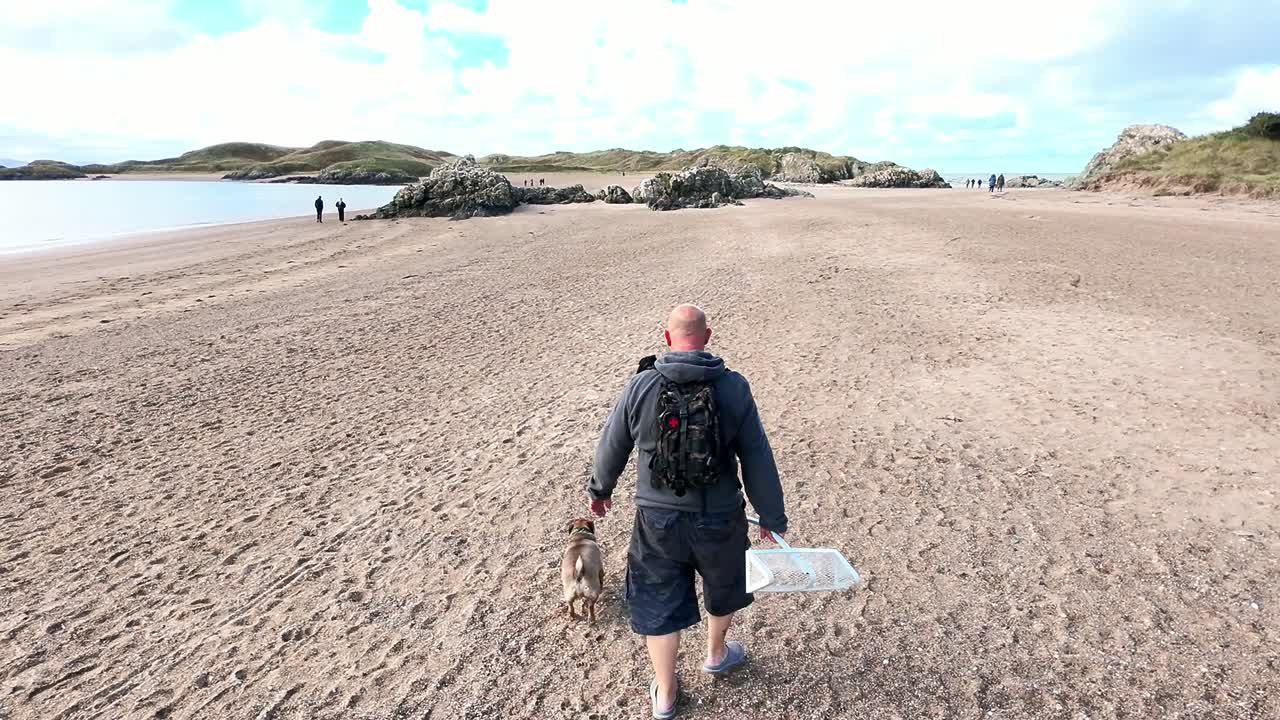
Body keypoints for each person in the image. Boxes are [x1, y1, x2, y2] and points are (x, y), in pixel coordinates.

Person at [589, 304, 787, 719]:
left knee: (658, 597)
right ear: (707, 337)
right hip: (720, 516)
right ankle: (716, 654)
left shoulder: (641, 385)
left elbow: (613, 442)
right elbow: (756, 455)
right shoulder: (733, 387)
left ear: (667, 338)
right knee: (724, 583)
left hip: (657, 520)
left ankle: (665, 692)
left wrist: (600, 490)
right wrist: (771, 516)